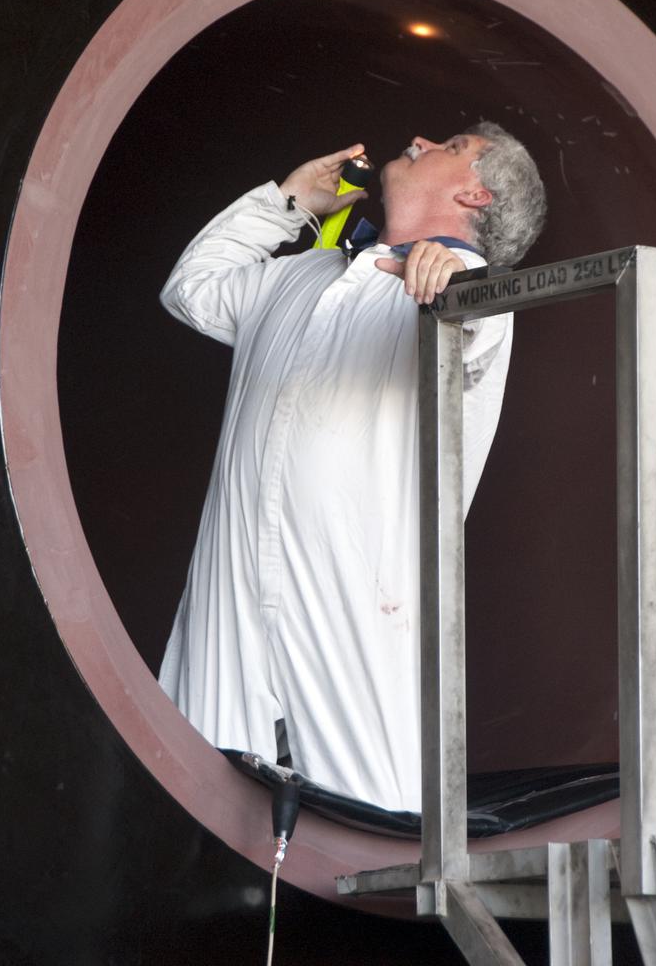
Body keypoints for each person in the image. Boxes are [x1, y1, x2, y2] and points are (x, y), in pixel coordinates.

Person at [158, 122, 546, 812]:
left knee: (373, 820)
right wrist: (289, 203)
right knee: (182, 791)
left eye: (450, 145)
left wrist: (450, 274)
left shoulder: (475, 296)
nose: (421, 139)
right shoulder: (297, 275)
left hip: (358, 596)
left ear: (476, 194)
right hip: (231, 582)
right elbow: (191, 288)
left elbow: (475, 327)